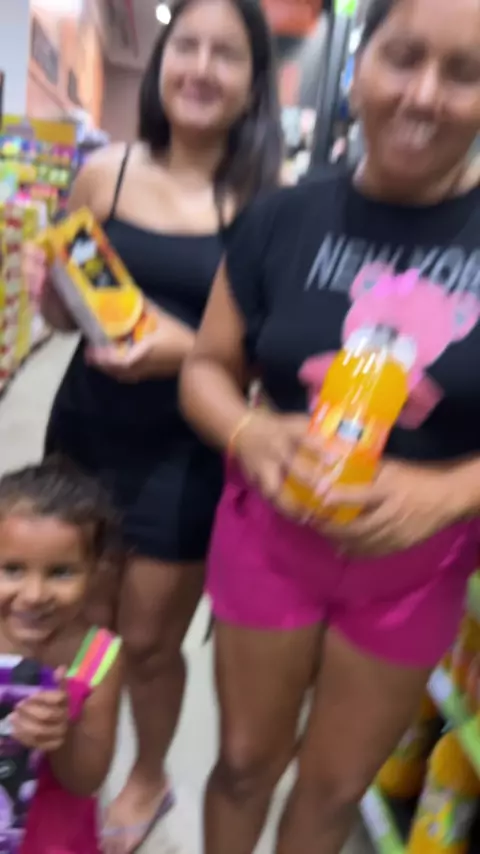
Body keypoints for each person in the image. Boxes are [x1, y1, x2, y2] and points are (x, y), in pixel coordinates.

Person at [180, 0, 480, 852]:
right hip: (271, 541)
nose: (424, 95)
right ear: (356, 68)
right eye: (403, 58)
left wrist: (450, 491)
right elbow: (205, 369)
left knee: (335, 787)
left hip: (415, 570)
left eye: (464, 74)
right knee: (245, 764)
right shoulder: (282, 219)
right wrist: (250, 433)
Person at [23, 0, 282, 849]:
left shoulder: (267, 206)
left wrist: (172, 349)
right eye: (186, 48)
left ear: (254, 83)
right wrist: (53, 298)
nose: (200, 68)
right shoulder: (105, 174)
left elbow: (270, 355)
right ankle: (70, 763)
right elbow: (68, 314)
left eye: (225, 54)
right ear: (163, 65)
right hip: (85, 430)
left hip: (187, 450)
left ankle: (148, 774)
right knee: (78, 619)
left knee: (148, 642)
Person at [0, 458, 122, 853]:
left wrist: (61, 735)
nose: (34, 595)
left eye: (61, 572)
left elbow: (86, 781)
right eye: (12, 570)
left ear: (97, 570)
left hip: (50, 835)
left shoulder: (97, 657)